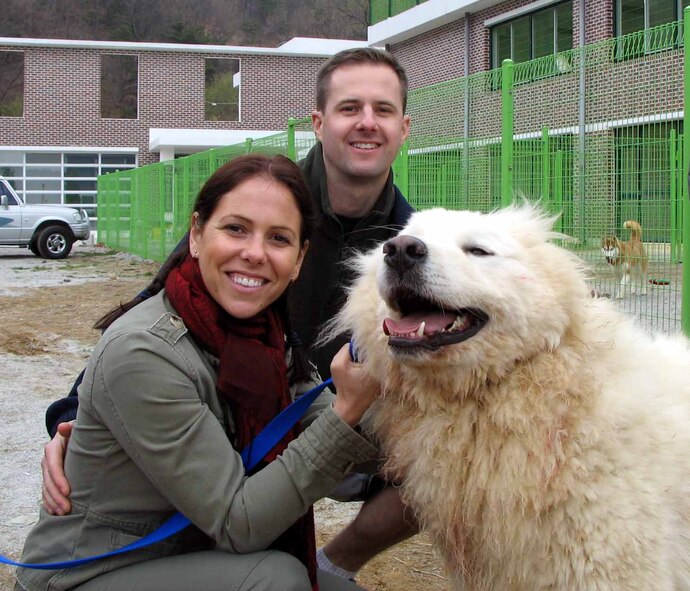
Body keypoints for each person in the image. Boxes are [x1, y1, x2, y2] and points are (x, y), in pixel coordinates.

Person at [41, 47, 420, 584]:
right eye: (349, 107)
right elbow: (149, 321)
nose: (366, 123)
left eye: (382, 110)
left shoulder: (415, 246)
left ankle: (333, 563)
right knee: (274, 574)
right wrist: (72, 417)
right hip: (251, 443)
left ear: (404, 128)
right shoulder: (265, 198)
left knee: (441, 464)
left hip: (301, 414)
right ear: (318, 122)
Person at [16, 154, 381, 591]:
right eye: (235, 229)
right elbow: (238, 522)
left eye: (278, 238)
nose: (254, 253)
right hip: (89, 573)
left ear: (299, 258)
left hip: (195, 553)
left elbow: (355, 438)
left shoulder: (263, 336)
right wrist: (345, 415)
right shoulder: (143, 350)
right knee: (277, 581)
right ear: (195, 234)